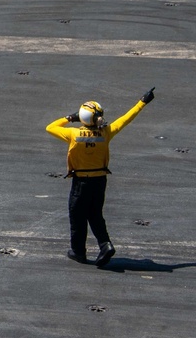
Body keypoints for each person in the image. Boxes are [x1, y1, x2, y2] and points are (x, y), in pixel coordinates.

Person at [46, 87, 155, 267]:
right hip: (99, 181)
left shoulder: (73, 134)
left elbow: (50, 127)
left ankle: (78, 251)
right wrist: (142, 101)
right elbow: (126, 118)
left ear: (83, 117)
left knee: (77, 216)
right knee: (95, 214)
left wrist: (70, 118)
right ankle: (105, 244)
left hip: (81, 182)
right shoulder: (106, 133)